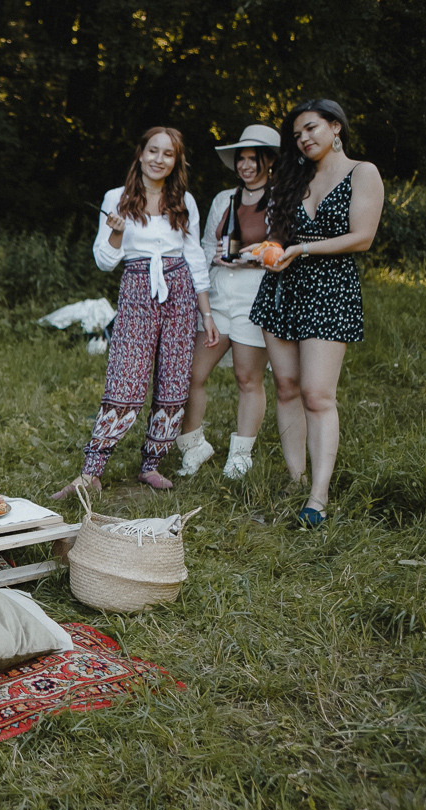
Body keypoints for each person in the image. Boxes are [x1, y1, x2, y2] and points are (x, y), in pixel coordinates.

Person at [53, 127, 218, 500]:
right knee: (126, 380)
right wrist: (115, 233)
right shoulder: (117, 197)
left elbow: (194, 256)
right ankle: (91, 472)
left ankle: (151, 465)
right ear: (140, 154)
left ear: (176, 161)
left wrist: (206, 313)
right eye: (153, 151)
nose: (159, 159)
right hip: (137, 287)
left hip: (179, 290)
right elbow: (104, 261)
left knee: (173, 381)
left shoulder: (183, 200)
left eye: (168, 154)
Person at [247, 99, 384, 527]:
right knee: (286, 386)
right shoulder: (295, 175)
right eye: (298, 134)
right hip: (283, 285)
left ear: (336, 127)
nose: (304, 138)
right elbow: (280, 235)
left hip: (329, 286)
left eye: (311, 128)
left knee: (317, 393)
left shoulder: (363, 172)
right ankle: (294, 477)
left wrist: (302, 248)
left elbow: (362, 237)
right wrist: (268, 251)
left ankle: (317, 498)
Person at [175, 124, 281, 479]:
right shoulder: (224, 199)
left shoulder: (282, 198)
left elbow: (284, 253)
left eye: (253, 159)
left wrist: (254, 256)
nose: (246, 166)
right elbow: (205, 248)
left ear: (268, 161)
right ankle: (193, 445)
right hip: (219, 298)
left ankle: (241, 454)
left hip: (255, 299)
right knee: (192, 373)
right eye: (242, 159)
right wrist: (211, 269)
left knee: (247, 377)